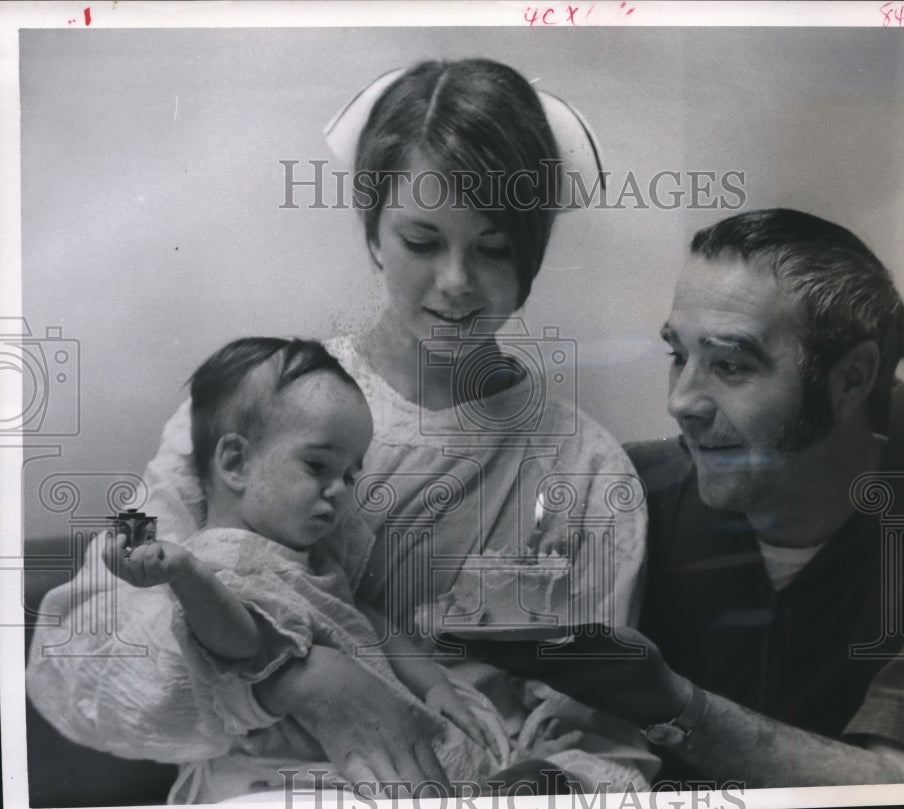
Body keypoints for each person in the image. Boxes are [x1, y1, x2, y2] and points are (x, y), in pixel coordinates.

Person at [26, 59, 655, 801]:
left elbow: (602, 740)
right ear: (373, 235)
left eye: (493, 248)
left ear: (533, 255)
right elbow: (78, 666)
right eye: (422, 241)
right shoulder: (262, 406)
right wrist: (299, 679)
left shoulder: (586, 473)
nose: (456, 281)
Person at [464, 209, 904, 787]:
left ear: (851, 379)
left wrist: (674, 705)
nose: (682, 402)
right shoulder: (623, 491)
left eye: (731, 365)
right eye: (678, 356)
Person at [83, 336, 508, 800]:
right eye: (317, 465)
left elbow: (368, 623)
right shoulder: (224, 558)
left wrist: (434, 685)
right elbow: (243, 646)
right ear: (236, 462)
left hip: (341, 758)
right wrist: (188, 574)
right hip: (269, 775)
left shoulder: (314, 560)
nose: (339, 490)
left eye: (349, 475)